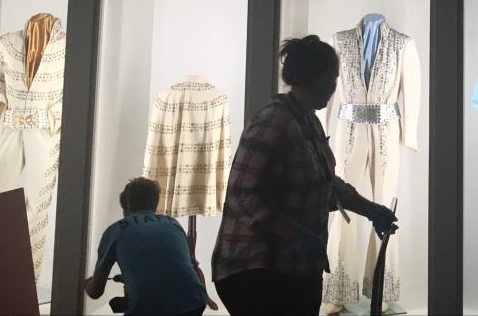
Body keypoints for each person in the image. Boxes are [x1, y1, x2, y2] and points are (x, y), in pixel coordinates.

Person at [212, 35, 398, 315]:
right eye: (332, 80)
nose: (335, 87)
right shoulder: (273, 121)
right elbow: (242, 193)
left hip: (294, 269)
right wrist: (294, 233)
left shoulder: (307, 120)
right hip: (257, 269)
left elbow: (327, 184)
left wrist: (371, 210)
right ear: (317, 78)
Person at [84, 177, 208, 316]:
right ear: (155, 204)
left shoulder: (115, 230)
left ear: (126, 207)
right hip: (194, 302)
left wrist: (85, 283)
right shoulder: (173, 224)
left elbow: (96, 292)